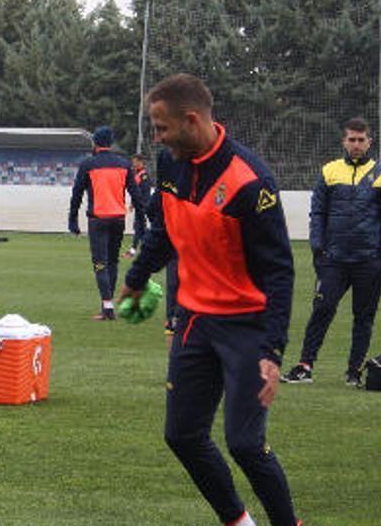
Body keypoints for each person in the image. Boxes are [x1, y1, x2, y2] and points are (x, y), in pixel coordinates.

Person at [119, 74, 299, 526]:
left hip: (247, 328)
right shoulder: (170, 162)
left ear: (192, 119)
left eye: (161, 127)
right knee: (182, 435)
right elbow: (165, 230)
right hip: (195, 321)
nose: (156, 137)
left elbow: (279, 270)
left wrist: (273, 350)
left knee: (244, 444)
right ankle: (239, 522)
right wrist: (137, 276)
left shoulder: (251, 182)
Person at [283, 117, 381, 387]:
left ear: (370, 141)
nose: (356, 145)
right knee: (322, 309)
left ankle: (353, 371)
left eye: (361, 140)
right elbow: (318, 213)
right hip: (333, 259)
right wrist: (317, 248)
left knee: (363, 318)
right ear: (344, 141)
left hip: (369, 260)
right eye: (351, 139)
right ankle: (304, 366)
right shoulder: (329, 171)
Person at [68, 125, 145, 320]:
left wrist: (73, 220)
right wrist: (141, 221)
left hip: (98, 219)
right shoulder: (124, 164)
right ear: (111, 143)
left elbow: (76, 194)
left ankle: (108, 308)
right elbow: (136, 196)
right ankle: (108, 306)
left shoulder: (88, 164)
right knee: (113, 262)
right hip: (118, 219)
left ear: (95, 142)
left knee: (100, 263)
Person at [124, 153, 153, 258]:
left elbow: (144, 192)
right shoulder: (136, 174)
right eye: (133, 162)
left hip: (143, 205)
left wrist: (139, 204)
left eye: (135, 161)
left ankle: (133, 250)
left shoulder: (144, 175)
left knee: (139, 227)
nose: (133, 164)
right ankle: (149, 249)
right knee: (141, 228)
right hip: (139, 205)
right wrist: (133, 203)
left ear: (140, 162)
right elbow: (135, 191)